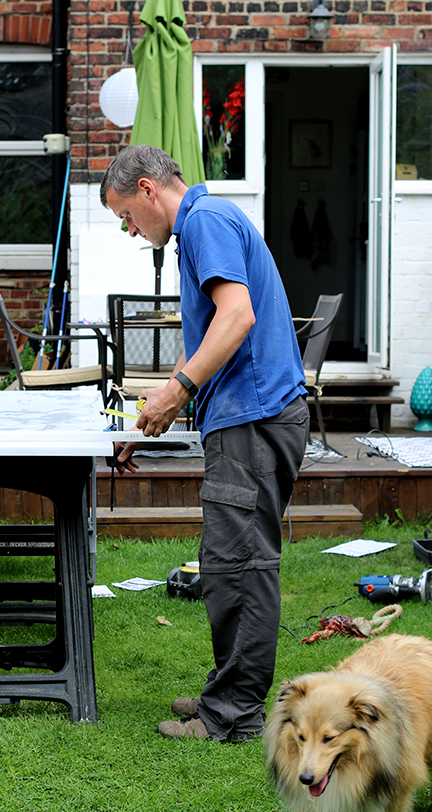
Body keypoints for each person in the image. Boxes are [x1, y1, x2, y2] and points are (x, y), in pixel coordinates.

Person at [100, 144, 309, 742]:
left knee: (239, 566)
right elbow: (211, 337)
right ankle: (227, 691)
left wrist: (177, 390)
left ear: (147, 189)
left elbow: (237, 316)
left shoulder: (204, 223)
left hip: (255, 419)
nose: (129, 230)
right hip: (248, 417)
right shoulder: (205, 223)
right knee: (228, 563)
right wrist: (156, 415)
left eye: (126, 216)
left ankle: (234, 713)